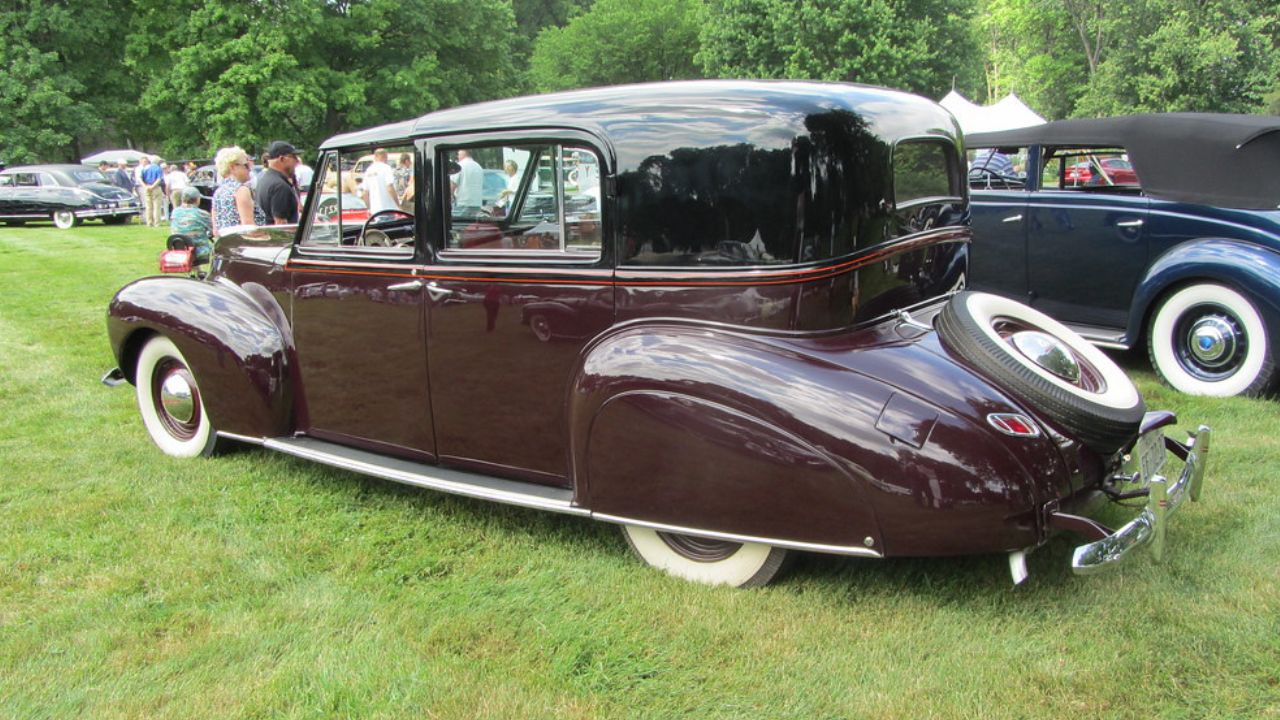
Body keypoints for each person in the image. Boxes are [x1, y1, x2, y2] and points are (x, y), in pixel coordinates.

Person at [211, 145, 266, 237]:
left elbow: (216, 231)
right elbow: (249, 228)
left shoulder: (218, 192)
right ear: (233, 167)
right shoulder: (241, 190)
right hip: (244, 247)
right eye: (246, 165)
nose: (250, 169)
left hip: (227, 246)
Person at [256, 140, 301, 224]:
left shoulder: (264, 180)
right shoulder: (280, 186)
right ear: (282, 158)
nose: (297, 161)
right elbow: (281, 225)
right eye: (294, 157)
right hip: (281, 237)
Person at [169, 187, 214, 262]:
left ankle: (197, 271)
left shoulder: (175, 212)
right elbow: (213, 230)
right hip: (198, 252)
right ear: (197, 199)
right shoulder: (202, 214)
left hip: (179, 250)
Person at [361, 148, 398, 214]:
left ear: (375, 157)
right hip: (388, 209)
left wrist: (369, 208)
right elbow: (390, 188)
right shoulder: (386, 168)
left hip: (375, 211)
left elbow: (364, 193)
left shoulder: (368, 170)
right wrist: (398, 205)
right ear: (385, 156)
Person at [452, 148, 483, 214]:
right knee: (472, 224)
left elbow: (451, 187)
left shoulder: (459, 166)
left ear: (464, 152)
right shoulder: (478, 167)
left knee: (460, 224)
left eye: (459, 152)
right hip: (477, 205)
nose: (457, 155)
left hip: (462, 205)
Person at [139, 156, 166, 227]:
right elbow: (159, 179)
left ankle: (149, 222)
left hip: (147, 187)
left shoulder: (145, 168)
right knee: (157, 206)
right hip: (156, 188)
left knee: (148, 207)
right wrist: (153, 186)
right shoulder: (158, 168)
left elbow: (140, 178)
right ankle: (157, 223)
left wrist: (145, 186)